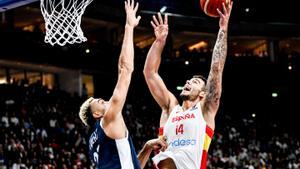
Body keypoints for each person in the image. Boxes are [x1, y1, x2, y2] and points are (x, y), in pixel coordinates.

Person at [143, 2, 233, 169]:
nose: (188, 82)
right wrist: (159, 42)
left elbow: (216, 68)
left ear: (203, 94)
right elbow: (150, 74)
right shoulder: (171, 108)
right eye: (189, 80)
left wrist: (223, 29)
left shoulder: (205, 110)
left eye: (195, 82)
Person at [79, 0, 167, 168]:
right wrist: (129, 27)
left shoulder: (95, 140)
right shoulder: (108, 118)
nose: (105, 100)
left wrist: (147, 148)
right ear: (97, 115)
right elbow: (125, 69)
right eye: (100, 102)